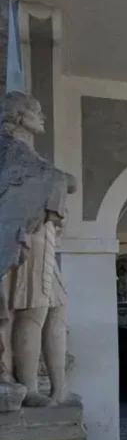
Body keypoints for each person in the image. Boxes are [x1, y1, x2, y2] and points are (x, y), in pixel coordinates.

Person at [0, 91, 78, 406]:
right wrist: (59, 180)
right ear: (19, 116)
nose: (42, 116)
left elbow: (59, 181)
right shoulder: (10, 150)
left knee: (57, 310)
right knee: (32, 311)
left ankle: (60, 389)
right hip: (26, 236)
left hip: (42, 234)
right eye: (36, 111)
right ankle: (29, 388)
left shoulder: (27, 153)